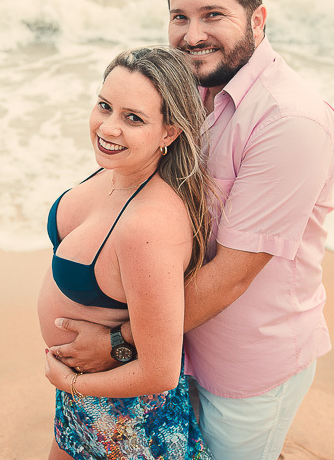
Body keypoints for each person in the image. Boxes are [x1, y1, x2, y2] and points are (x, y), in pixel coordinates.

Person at [48, 0, 334, 460]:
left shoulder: (290, 122)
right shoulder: (193, 90)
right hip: (181, 352)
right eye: (179, 17)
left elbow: (231, 273)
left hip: (244, 368)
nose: (191, 34)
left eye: (213, 15)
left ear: (257, 19)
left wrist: (120, 344)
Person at [38, 46, 216, 459]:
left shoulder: (149, 225)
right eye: (105, 106)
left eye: (133, 118)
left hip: (130, 424)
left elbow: (159, 371)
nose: (109, 128)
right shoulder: (113, 171)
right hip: (85, 401)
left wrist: (73, 384)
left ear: (169, 133)